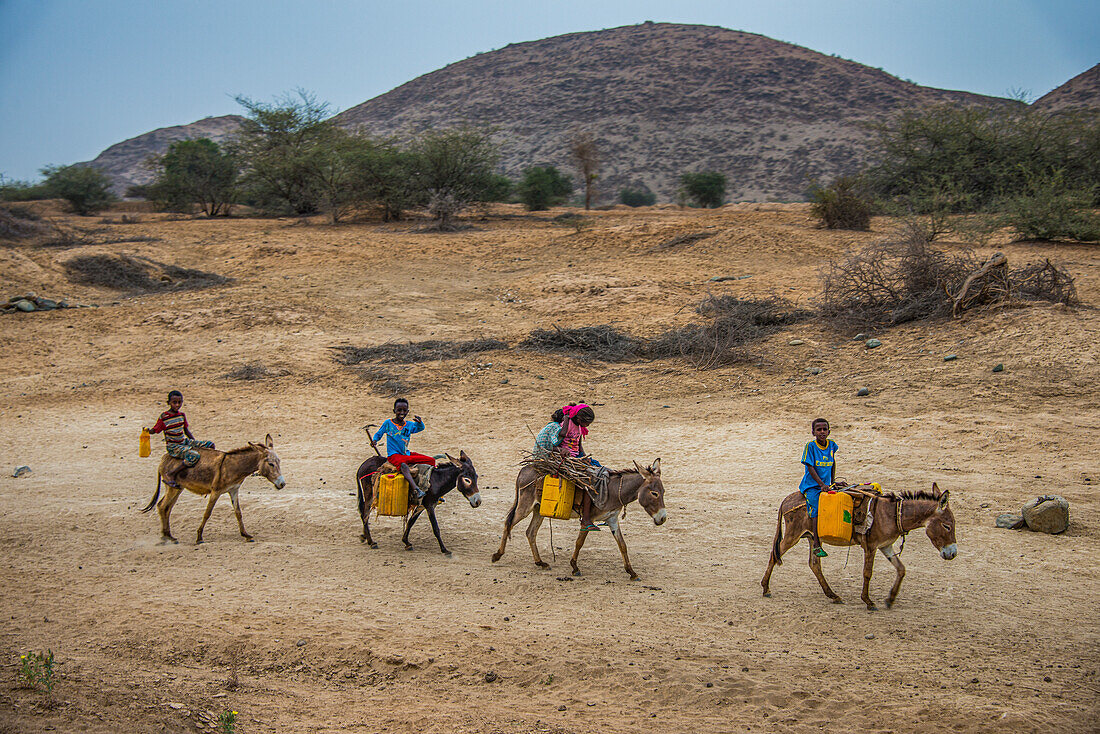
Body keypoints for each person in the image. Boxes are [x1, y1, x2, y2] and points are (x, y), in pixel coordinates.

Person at [145, 390, 214, 488]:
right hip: (174, 446)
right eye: (174, 402)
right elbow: (155, 430)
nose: (177, 405)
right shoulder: (164, 417)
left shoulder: (181, 415)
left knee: (210, 445)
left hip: (184, 441)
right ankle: (171, 474)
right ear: (168, 403)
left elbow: (186, 431)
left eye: (179, 402)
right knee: (193, 455)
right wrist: (148, 431)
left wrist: (194, 443)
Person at [371, 398, 434, 501]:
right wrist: (375, 440)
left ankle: (433, 492)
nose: (402, 413)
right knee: (403, 466)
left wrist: (419, 423)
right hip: (394, 455)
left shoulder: (409, 425)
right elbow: (379, 433)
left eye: (404, 411)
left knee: (431, 460)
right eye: (399, 410)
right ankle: (416, 489)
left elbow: (420, 428)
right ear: (394, 411)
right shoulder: (388, 423)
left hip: (406, 454)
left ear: (407, 412)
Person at [559, 403, 604, 533]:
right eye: (587, 423)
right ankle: (585, 519)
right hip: (568, 458)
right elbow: (562, 434)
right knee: (587, 481)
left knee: (599, 469)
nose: (588, 426)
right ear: (579, 419)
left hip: (577, 456)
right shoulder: (567, 425)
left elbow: (579, 445)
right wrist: (566, 419)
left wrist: (584, 457)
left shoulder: (579, 427)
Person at [800, 417, 839, 558]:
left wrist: (832, 482)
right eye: (819, 430)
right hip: (812, 486)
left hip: (827, 485)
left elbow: (832, 462)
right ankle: (816, 544)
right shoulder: (810, 446)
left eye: (824, 429)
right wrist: (821, 484)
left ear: (829, 431)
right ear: (813, 432)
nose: (822, 432)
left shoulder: (832, 445)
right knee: (817, 508)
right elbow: (810, 467)